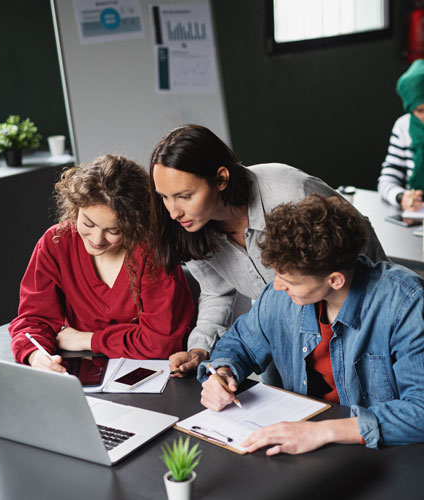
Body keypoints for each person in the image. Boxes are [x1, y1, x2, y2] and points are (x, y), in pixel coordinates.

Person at [150, 124, 386, 379]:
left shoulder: (292, 191)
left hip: (354, 321)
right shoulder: (188, 229)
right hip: (281, 335)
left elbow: (361, 247)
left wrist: (383, 322)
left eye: (184, 196)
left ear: (221, 179)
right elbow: (216, 292)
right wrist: (199, 349)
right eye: (164, 197)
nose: (173, 212)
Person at [199, 194, 424, 454]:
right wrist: (223, 373)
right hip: (301, 439)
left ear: (335, 280)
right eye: (278, 275)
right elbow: (239, 344)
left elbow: (419, 410)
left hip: (380, 450)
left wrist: (322, 431)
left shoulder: (406, 303)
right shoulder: (278, 296)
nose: (277, 286)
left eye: (291, 282)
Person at [9, 154, 193, 372]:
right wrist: (36, 355)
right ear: (75, 208)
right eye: (88, 223)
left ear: (136, 224)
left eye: (114, 231)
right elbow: (33, 320)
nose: (97, 239)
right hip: (85, 371)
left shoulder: (152, 253)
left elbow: (160, 342)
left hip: (155, 371)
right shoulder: (56, 243)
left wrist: (88, 340)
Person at [378, 58, 424, 211]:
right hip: (417, 215)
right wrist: (402, 197)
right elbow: (387, 180)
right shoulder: (403, 127)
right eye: (420, 111)